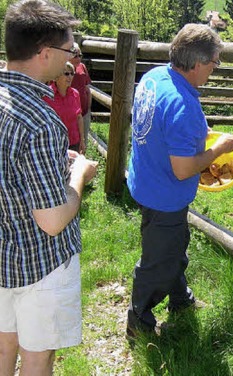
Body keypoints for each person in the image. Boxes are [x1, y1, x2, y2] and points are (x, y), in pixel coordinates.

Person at [0, 0, 98, 375]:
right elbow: (53, 220)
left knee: (4, 346)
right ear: (44, 53)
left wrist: (57, 162)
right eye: (68, 49)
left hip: (4, 254)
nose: (72, 56)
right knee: (38, 357)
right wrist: (79, 174)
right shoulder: (41, 121)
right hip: (41, 263)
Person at [126, 23, 233, 337]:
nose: (214, 70)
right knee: (157, 262)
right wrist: (217, 150)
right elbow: (184, 170)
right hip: (166, 194)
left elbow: (159, 127)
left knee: (173, 247)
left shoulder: (154, 76)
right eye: (215, 63)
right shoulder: (183, 106)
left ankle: (180, 300)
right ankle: (139, 320)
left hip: (146, 181)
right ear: (199, 63)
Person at [44, 61, 85, 153]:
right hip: (54, 143)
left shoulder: (75, 94)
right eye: (66, 73)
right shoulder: (46, 95)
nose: (70, 76)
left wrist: (82, 140)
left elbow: (79, 117)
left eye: (72, 73)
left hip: (74, 142)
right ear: (56, 76)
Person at [70, 43, 92, 144]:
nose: (78, 58)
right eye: (75, 56)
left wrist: (88, 107)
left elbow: (87, 88)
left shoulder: (82, 67)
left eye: (80, 55)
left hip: (84, 112)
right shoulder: (63, 70)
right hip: (70, 113)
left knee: (83, 140)